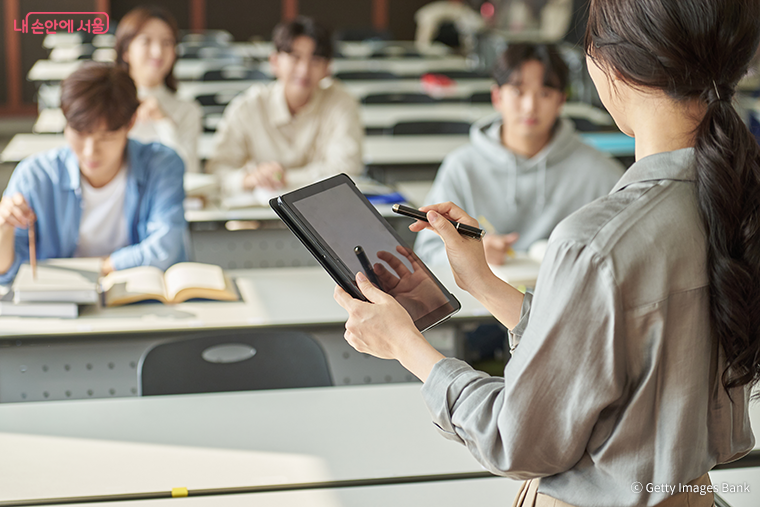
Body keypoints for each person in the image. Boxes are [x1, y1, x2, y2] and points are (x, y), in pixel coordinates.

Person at [334, 0, 759, 505]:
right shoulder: (737, 198)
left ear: (612, 66)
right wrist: (486, 285)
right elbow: (607, 342)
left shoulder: (595, 241)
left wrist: (405, 345)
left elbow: (519, 441)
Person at [415, 43, 624, 267]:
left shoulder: (600, 172)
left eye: (544, 93)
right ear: (497, 97)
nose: (529, 107)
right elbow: (427, 252)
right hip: (478, 297)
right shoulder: (462, 167)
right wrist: (472, 255)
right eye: (518, 91)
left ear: (561, 101)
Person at [0, 63, 187, 284]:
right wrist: (4, 228)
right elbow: (10, 272)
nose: (90, 152)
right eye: (79, 133)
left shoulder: (161, 165)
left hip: (139, 301)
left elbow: (165, 249)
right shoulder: (35, 175)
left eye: (106, 137)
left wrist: (93, 271)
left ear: (131, 123)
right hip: (62, 307)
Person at [206, 16, 363, 196]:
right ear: (275, 62)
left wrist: (283, 177)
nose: (304, 70)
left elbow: (347, 169)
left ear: (327, 68)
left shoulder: (342, 103)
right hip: (258, 214)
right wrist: (249, 178)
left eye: (315, 60)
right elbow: (217, 170)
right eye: (295, 58)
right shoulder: (248, 106)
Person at [115, 5, 203, 173]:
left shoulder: (188, 110)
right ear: (126, 51)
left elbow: (189, 171)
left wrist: (162, 120)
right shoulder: (109, 104)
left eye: (167, 42)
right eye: (146, 41)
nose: (157, 52)